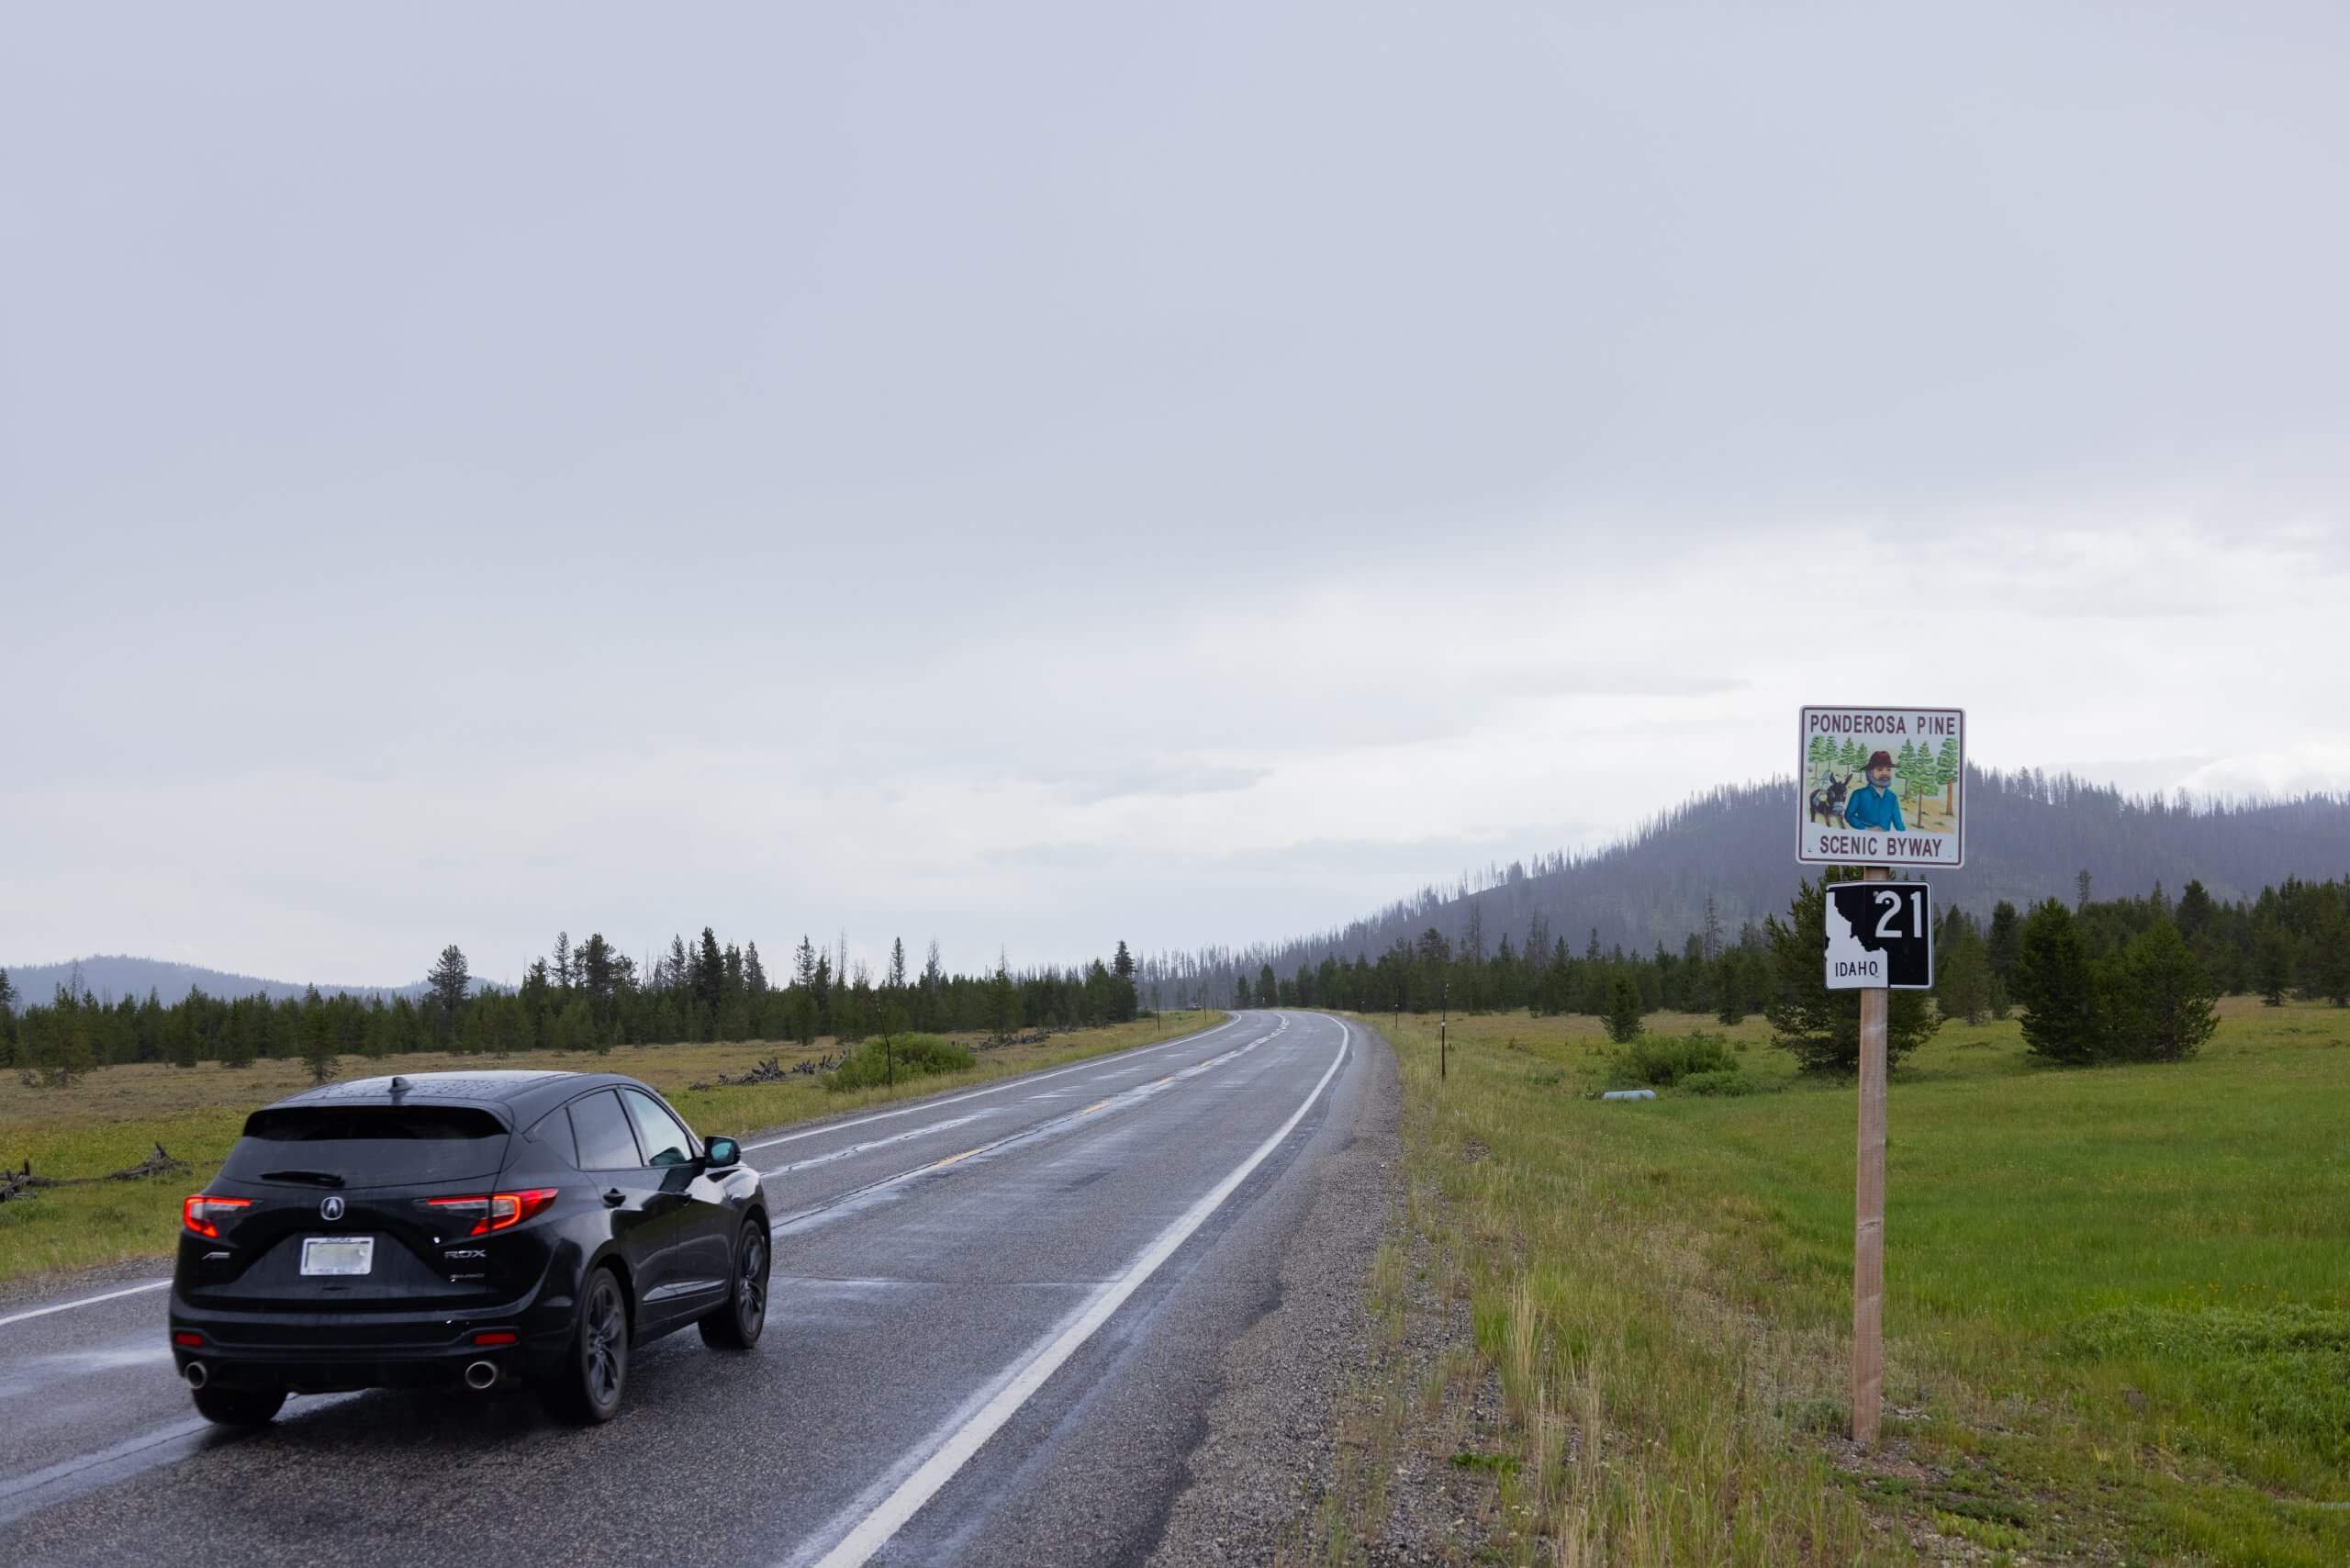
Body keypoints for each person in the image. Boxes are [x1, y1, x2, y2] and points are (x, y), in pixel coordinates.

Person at [1843, 750, 1906, 832]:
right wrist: (1866, 829)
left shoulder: (1892, 797)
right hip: (1863, 839)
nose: (1885, 773)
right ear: (1870, 772)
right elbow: (1849, 815)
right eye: (1880, 770)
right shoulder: (1859, 794)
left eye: (1888, 770)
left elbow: (1899, 824)